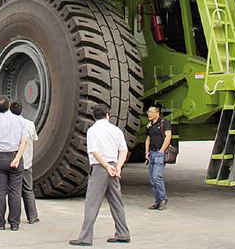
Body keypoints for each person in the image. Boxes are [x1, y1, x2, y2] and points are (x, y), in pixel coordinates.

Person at [69, 104, 131, 246]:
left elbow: (94, 152)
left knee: (92, 204)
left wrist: (106, 166)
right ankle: (123, 233)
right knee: (117, 203)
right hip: (114, 168)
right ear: (108, 115)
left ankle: (85, 238)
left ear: (93, 116)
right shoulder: (116, 130)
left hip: (100, 169)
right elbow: (123, 150)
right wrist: (118, 167)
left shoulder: (93, 130)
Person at [0, 96, 28, 231]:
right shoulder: (20, 121)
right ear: (9, 105)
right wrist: (17, 158)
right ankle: (14, 223)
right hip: (15, 155)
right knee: (15, 191)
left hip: (1, 157)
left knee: (1, 191)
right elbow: (24, 141)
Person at [10, 100, 40, 223]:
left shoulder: (8, 124)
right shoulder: (30, 124)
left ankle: (14, 217)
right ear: (22, 111)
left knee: (14, 191)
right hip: (26, 162)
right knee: (28, 190)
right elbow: (34, 139)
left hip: (12, 162)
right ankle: (32, 217)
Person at [145, 105, 172, 211]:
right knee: (152, 180)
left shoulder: (164, 123)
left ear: (157, 113)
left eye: (151, 112)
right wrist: (146, 152)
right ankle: (157, 201)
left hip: (159, 154)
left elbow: (168, 136)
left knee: (157, 177)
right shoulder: (149, 125)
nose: (149, 114)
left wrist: (162, 150)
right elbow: (148, 138)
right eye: (148, 112)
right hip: (151, 154)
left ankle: (163, 199)